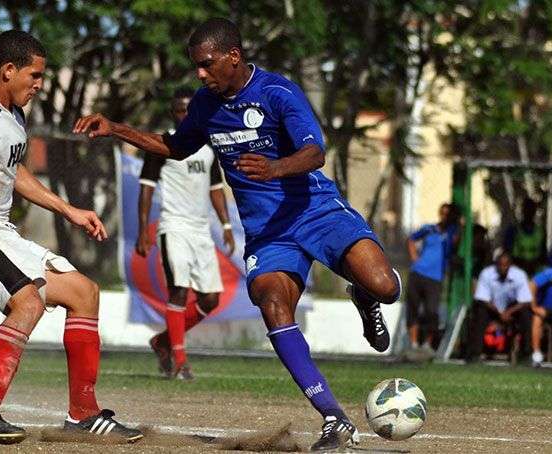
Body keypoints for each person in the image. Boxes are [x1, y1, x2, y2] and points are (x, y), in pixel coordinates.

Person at [73, 18, 401, 451]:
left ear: (233, 56)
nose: (201, 75)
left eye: (207, 65)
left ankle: (365, 295)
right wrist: (117, 128)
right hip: (269, 234)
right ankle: (334, 419)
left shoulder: (277, 93)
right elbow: (176, 146)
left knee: (385, 287)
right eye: (196, 67)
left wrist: (275, 168)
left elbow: (315, 152)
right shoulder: (206, 107)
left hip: (317, 211)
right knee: (272, 304)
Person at [0, 30, 142, 444]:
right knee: (28, 304)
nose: (39, 85)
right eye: (35, 75)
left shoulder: (12, 113)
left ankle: (84, 415)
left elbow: (14, 173)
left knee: (84, 292)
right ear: (8, 70)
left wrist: (68, 210)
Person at [137, 87, 236, 379]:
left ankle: (164, 341)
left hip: (201, 231)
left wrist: (227, 225)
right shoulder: (163, 144)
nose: (185, 115)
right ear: (173, 113)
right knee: (178, 290)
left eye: (189, 110)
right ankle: (180, 360)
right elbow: (146, 189)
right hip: (174, 227)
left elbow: (215, 188)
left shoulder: (208, 146)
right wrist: (143, 229)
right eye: (180, 110)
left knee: (210, 300)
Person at [405, 203, 460, 356]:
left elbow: (455, 244)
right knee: (413, 308)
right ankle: (414, 344)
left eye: (448, 214)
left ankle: (428, 345)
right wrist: (414, 257)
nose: (445, 217)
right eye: (443, 213)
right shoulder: (429, 228)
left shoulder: (452, 232)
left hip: (435, 278)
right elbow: (411, 239)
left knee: (432, 311)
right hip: (418, 273)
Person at [466, 251, 532, 362]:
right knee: (480, 311)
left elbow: (525, 301)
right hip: (492, 308)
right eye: (500, 265)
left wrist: (508, 312)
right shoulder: (486, 274)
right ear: (495, 265)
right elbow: (483, 299)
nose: (502, 268)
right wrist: (499, 313)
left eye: (505, 265)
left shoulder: (519, 275)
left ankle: (526, 354)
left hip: (511, 309)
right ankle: (474, 353)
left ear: (510, 265)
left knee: (525, 313)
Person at [504, 197, 546, 276]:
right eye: (527, 209)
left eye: (531, 209)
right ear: (522, 211)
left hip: (535, 273)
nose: (529, 212)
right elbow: (507, 255)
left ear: (534, 211)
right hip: (517, 272)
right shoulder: (513, 230)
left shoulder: (540, 231)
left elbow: (544, 256)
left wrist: (535, 264)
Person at [529, 266, 552, 367]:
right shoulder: (551, 273)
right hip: (545, 308)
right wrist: (534, 306)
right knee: (537, 318)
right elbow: (532, 285)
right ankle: (537, 354)